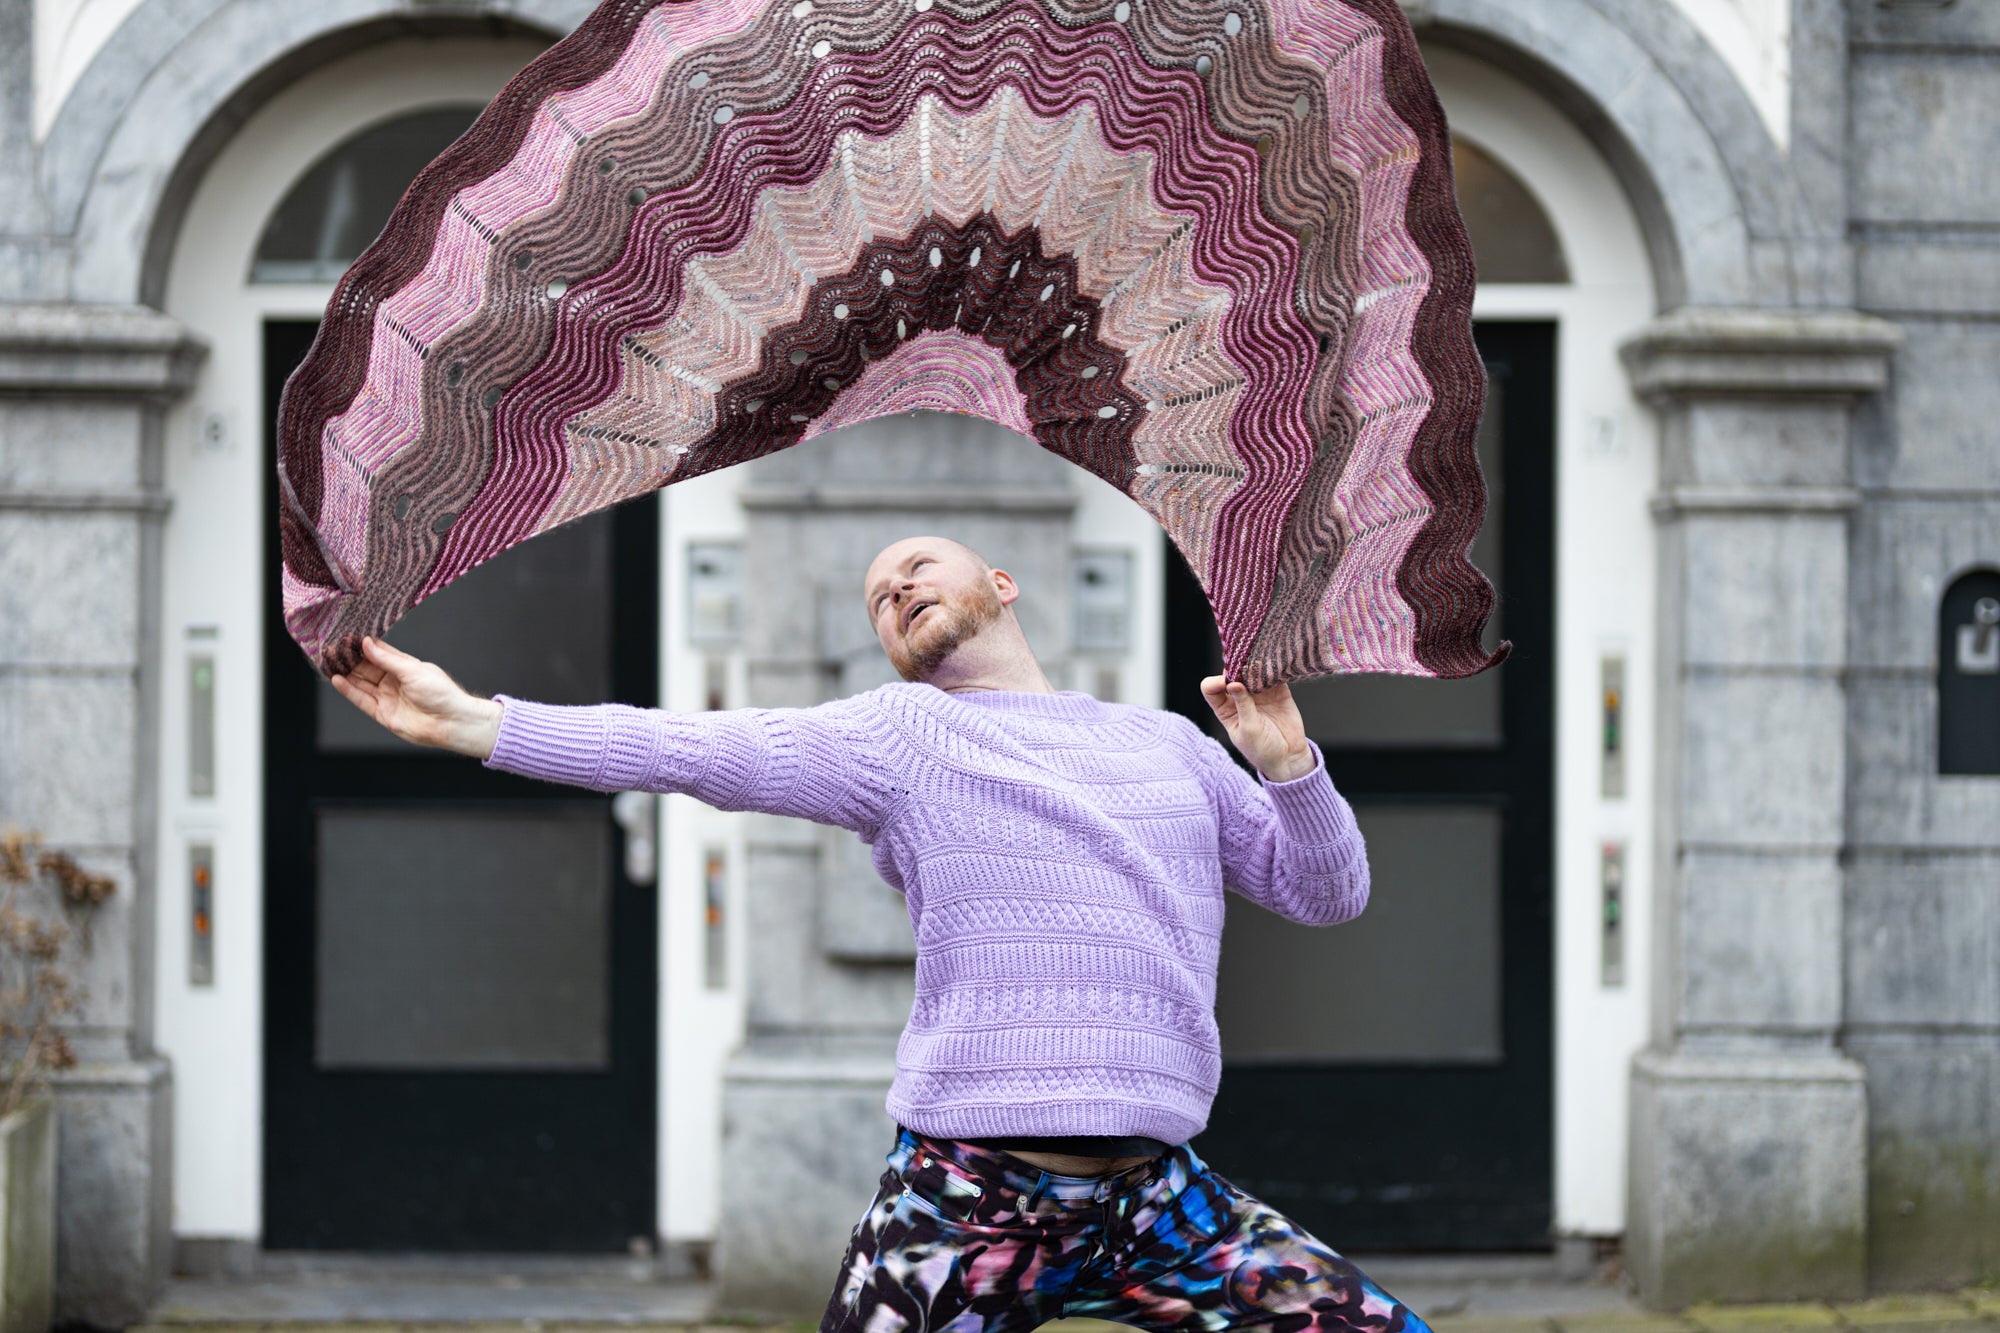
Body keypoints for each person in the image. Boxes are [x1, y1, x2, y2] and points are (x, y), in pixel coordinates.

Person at [332, 534, 1429, 1333]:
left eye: (916, 564)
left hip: (1159, 1196)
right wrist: (470, 721)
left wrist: (1287, 761)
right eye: (875, 596)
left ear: (1000, 585)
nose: (894, 585)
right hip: (965, 1200)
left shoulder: (1170, 746)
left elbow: (1322, 893)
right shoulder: (897, 735)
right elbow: (689, 749)